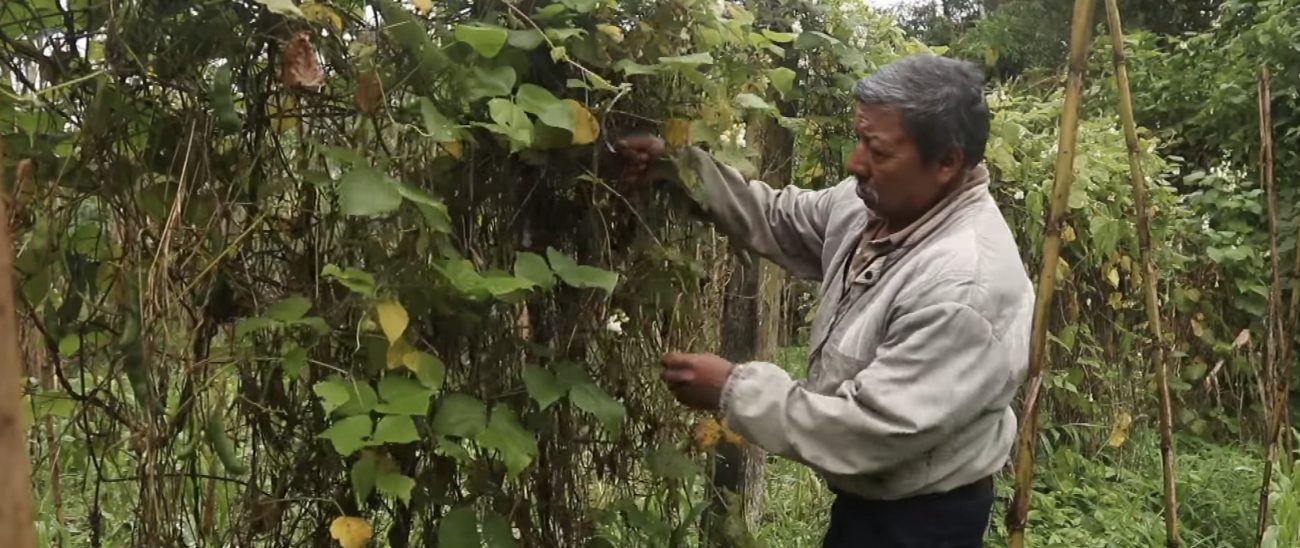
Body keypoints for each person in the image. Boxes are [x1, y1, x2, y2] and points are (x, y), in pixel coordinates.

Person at [617, 54, 1033, 547]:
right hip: (871, 506)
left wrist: (733, 390)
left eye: (877, 150)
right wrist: (680, 167)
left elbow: (870, 431)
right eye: (859, 140)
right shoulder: (874, 206)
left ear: (947, 163)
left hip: (923, 524)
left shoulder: (964, 285)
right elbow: (777, 217)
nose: (855, 163)